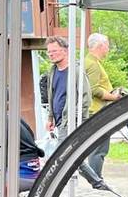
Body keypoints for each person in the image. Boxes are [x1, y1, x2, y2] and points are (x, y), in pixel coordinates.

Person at [40, 35, 103, 187]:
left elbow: (85, 97)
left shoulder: (76, 71)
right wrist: (50, 117)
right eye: (49, 52)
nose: (51, 54)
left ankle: (51, 186)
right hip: (59, 119)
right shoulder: (53, 70)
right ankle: (98, 183)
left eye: (54, 51)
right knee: (71, 156)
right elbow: (53, 94)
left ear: (65, 51)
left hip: (71, 120)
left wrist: (76, 119)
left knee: (64, 154)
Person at [82, 32, 123, 189]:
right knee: (100, 148)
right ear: (100, 46)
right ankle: (96, 180)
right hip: (98, 110)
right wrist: (114, 97)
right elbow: (94, 89)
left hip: (95, 110)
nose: (108, 48)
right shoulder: (92, 64)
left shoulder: (90, 62)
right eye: (107, 45)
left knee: (97, 147)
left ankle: (95, 178)